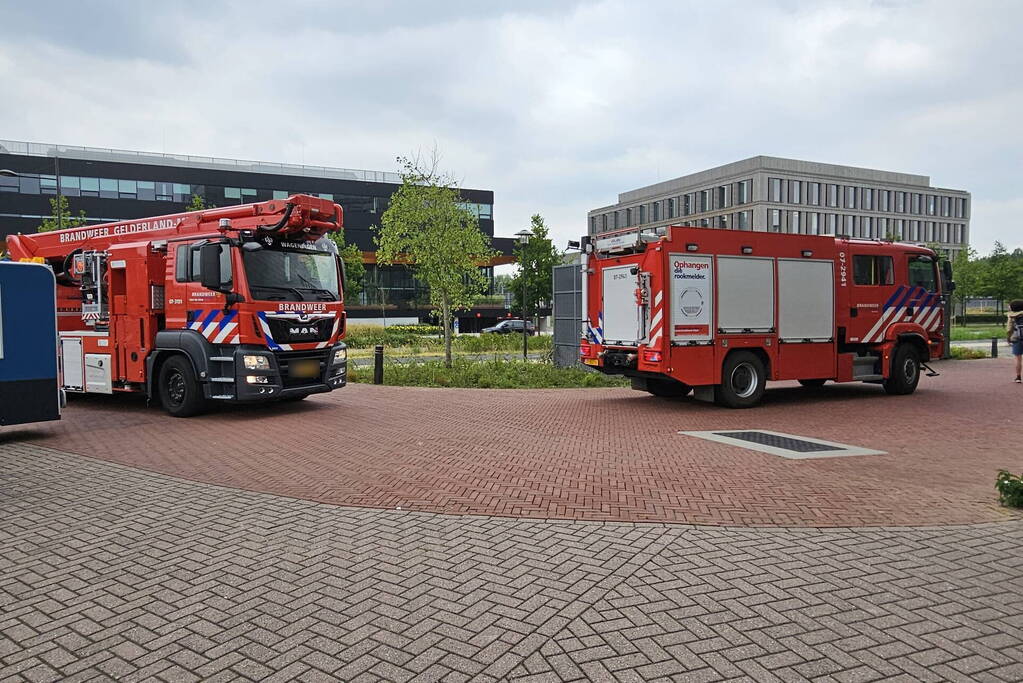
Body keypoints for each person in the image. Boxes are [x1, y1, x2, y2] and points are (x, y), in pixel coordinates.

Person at [1008, 299, 1023, 383]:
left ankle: (1018, 377)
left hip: (1016, 338)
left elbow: (1009, 329)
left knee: (1018, 359)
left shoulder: (1011, 316)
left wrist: (1008, 338)